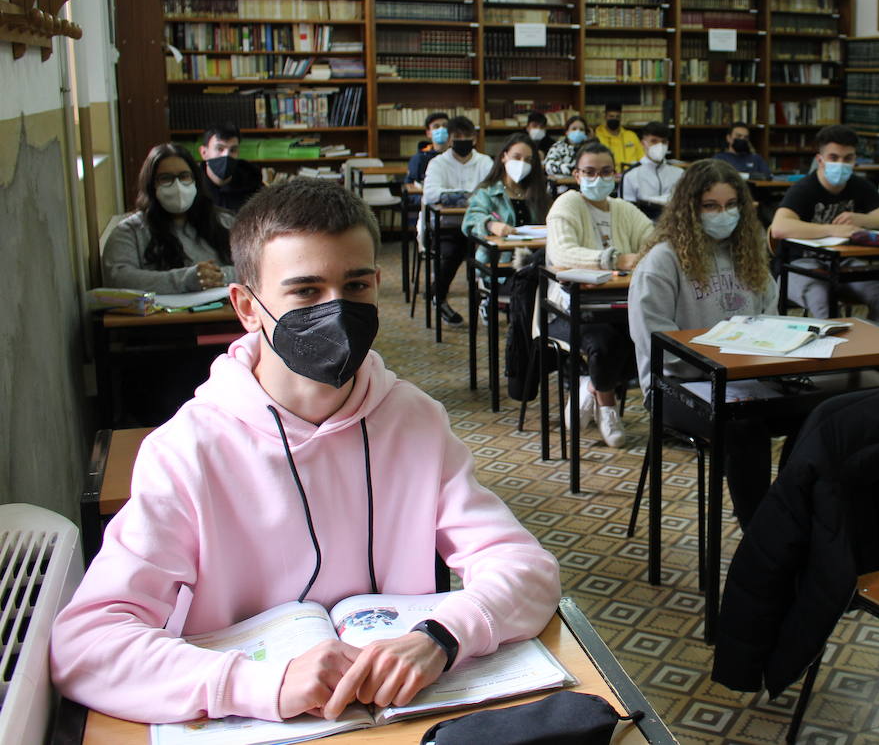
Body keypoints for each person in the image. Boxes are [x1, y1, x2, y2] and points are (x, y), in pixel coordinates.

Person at [53, 177, 560, 725]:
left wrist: (442, 636)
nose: (337, 311)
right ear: (247, 307)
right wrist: (255, 686)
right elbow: (87, 643)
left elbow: (526, 569)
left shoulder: (415, 421)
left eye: (357, 286)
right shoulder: (186, 452)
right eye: (305, 292)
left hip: (395, 718)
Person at [629, 160, 784, 526]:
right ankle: (759, 534)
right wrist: (723, 367)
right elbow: (656, 341)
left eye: (731, 205)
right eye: (710, 206)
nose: (723, 214)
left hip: (744, 377)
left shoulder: (748, 252)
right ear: (690, 209)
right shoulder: (663, 261)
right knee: (746, 428)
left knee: (819, 415)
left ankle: (789, 513)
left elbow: (771, 319)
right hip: (677, 384)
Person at [545, 142, 654, 447]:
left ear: (615, 174)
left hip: (620, 303)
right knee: (605, 340)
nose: (598, 178)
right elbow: (561, 252)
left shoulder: (622, 209)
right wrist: (616, 259)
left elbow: (655, 241)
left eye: (605, 172)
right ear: (577, 175)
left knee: (650, 333)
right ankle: (607, 405)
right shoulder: (567, 204)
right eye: (589, 172)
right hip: (568, 308)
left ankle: (591, 383)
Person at [770, 125, 879, 327]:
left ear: (855, 160)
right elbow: (779, 227)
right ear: (820, 160)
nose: (841, 164)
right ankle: (833, 355)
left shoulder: (860, 186)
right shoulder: (804, 188)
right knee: (823, 299)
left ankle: (877, 352)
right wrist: (832, 229)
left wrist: (861, 219)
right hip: (798, 266)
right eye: (834, 158)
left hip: (843, 263)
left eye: (848, 158)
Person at [104, 142, 236, 293]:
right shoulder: (129, 232)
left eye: (184, 176)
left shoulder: (226, 223)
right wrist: (185, 279)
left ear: (196, 181)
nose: (177, 185)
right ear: (151, 185)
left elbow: (257, 268)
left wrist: (217, 277)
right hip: (161, 316)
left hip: (220, 314)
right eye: (166, 178)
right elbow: (117, 279)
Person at [421, 116, 492, 325]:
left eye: (466, 136)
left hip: (478, 226)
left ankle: (485, 300)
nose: (462, 140)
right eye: (457, 136)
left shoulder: (485, 162)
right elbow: (432, 194)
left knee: (485, 255)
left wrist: (455, 196)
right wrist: (469, 196)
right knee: (451, 254)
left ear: (474, 138)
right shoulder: (438, 163)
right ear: (450, 139)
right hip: (447, 226)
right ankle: (439, 297)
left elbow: (491, 193)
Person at [461, 132, 550, 266]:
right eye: (516, 157)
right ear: (504, 157)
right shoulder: (488, 191)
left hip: (536, 261)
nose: (522, 164)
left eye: (527, 160)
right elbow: (470, 220)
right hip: (500, 261)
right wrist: (490, 224)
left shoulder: (537, 193)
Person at [198, 123, 263, 213]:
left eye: (233, 150)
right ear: (204, 153)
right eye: (220, 149)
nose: (226, 155)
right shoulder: (193, 187)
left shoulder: (253, 185)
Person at [620, 122, 683, 206]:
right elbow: (625, 211)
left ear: (668, 144)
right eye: (654, 141)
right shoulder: (630, 175)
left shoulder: (679, 173)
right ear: (643, 143)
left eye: (663, 142)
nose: (659, 146)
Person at [593, 103, 643, 171]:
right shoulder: (597, 137)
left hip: (632, 175)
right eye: (611, 116)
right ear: (605, 117)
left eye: (617, 117)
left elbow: (642, 157)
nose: (614, 119)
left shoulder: (631, 136)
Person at [405, 111, 451, 186]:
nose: (441, 129)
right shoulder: (419, 159)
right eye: (436, 126)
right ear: (428, 133)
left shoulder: (457, 156)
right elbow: (410, 185)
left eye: (445, 126)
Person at [543, 115, 592, 179]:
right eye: (574, 129)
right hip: (561, 185)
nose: (578, 132)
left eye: (581, 129)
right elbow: (550, 166)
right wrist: (573, 170)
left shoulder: (590, 148)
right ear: (567, 132)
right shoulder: (558, 147)